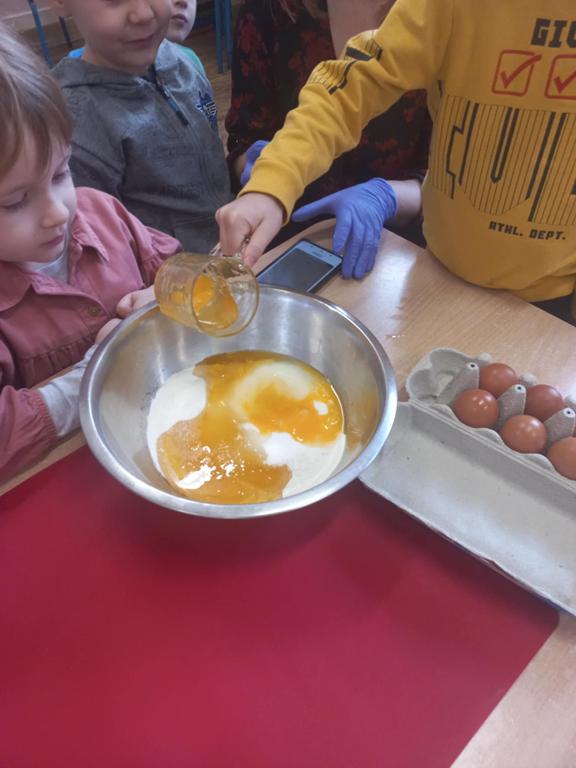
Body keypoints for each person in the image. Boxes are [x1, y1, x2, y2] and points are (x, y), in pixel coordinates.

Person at [217, 0, 576, 322]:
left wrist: (385, 195)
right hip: (437, 267)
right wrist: (272, 182)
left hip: (552, 293)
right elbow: (352, 84)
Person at [0, 23, 182, 479]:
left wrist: (166, 296)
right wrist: (98, 371)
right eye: (15, 202)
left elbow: (173, 269)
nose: (57, 213)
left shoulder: (103, 212)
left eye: (61, 173)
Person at [226, 0, 432, 278]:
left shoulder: (439, 16)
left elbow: (446, 175)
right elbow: (244, 138)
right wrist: (261, 175)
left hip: (394, 253)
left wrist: (386, 197)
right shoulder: (270, 11)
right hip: (287, 245)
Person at [49, 0, 231, 254]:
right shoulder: (72, 124)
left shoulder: (184, 62)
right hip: (178, 270)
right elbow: (104, 249)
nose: (144, 14)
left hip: (236, 243)